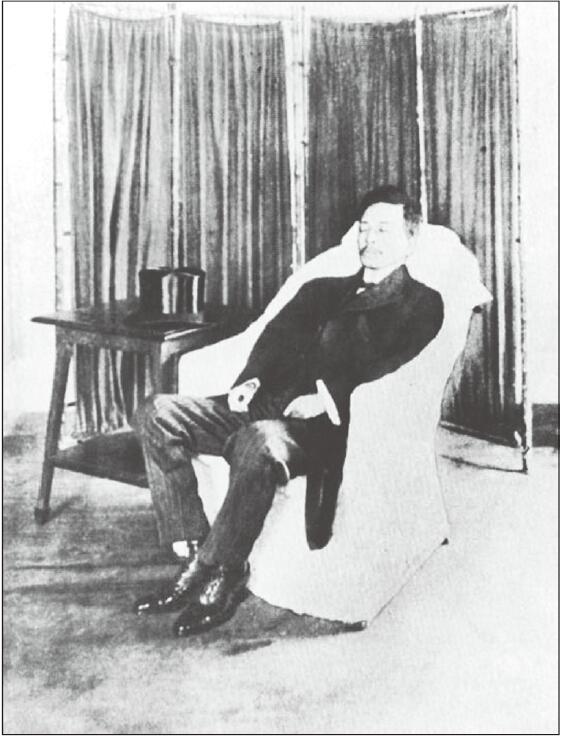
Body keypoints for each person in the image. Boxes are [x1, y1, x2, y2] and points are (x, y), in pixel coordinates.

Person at [132, 185, 445, 637]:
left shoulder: (423, 303)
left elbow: (393, 369)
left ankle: (223, 572)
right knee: (157, 412)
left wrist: (328, 397)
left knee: (259, 441)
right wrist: (249, 381)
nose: (370, 239)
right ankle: (198, 552)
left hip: (323, 426)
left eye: (383, 230)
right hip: (265, 403)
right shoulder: (321, 288)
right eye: (364, 228)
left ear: (411, 239)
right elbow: (272, 340)